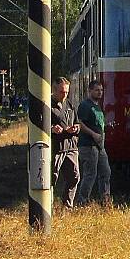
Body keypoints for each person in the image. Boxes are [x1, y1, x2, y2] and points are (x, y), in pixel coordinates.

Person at [77, 80, 112, 206]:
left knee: (106, 172)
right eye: (97, 90)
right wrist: (93, 134)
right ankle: (82, 201)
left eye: (101, 90)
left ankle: (105, 200)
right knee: (90, 174)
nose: (100, 93)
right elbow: (80, 123)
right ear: (90, 90)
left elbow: (98, 123)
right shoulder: (85, 106)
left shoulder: (98, 106)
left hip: (99, 146)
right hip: (88, 145)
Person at [50, 77, 81, 208]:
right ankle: (47, 206)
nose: (65, 95)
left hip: (71, 146)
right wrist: (52, 129)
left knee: (74, 177)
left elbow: (78, 123)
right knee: (51, 178)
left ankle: (67, 206)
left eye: (67, 92)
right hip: (56, 147)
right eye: (62, 92)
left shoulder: (70, 105)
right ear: (54, 90)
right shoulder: (47, 105)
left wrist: (76, 128)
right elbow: (38, 124)